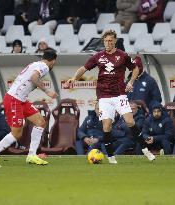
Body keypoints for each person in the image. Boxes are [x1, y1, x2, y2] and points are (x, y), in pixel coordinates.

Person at [65, 30, 155, 164]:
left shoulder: (123, 55)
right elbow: (83, 68)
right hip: (104, 96)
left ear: (115, 41)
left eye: (110, 41)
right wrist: (73, 78)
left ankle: (145, 150)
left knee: (130, 122)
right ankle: (111, 157)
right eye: (106, 41)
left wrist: (130, 82)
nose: (108, 43)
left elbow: (135, 68)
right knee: (107, 126)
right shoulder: (98, 56)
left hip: (119, 94)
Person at [0, 50, 58, 167]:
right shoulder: (44, 66)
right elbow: (34, 78)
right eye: (55, 62)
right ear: (53, 60)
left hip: (21, 99)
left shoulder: (36, 64)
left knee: (40, 122)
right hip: (14, 99)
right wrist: (48, 91)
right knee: (17, 134)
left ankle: (32, 155)